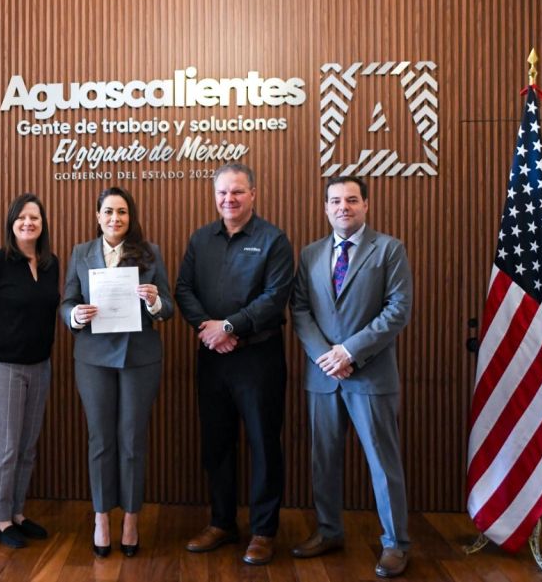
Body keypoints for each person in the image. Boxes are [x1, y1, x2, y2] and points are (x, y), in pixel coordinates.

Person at [290, 175, 413, 578]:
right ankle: (329, 531)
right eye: (335, 200)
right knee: (323, 459)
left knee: (383, 462)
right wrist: (326, 356)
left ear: (366, 205)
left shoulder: (389, 249)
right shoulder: (310, 254)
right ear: (326, 207)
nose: (343, 206)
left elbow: (398, 310)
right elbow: (300, 309)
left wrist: (349, 352)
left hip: (371, 376)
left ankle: (395, 543)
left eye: (352, 200)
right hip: (323, 376)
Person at [175, 163, 294, 566]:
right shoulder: (200, 239)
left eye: (238, 191)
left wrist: (228, 327)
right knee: (217, 443)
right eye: (223, 192)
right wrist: (209, 330)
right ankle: (222, 522)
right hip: (212, 358)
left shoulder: (274, 240)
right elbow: (184, 289)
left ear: (253, 194)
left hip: (259, 358)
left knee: (263, 443)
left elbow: (275, 297)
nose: (229, 199)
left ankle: (263, 531)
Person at [61, 187, 174, 558]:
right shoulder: (81, 253)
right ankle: (101, 517)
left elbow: (168, 307)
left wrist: (154, 301)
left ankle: (130, 518)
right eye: (108, 211)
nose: (115, 218)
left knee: (132, 440)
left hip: (140, 357)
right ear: (98, 216)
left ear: (130, 216)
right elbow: (67, 302)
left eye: (122, 212)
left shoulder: (150, 252)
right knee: (100, 440)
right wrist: (74, 315)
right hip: (93, 358)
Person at [0, 193, 60, 549]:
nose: (28, 223)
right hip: (1, 366)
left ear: (43, 224)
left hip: (40, 365)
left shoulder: (50, 264)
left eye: (34, 217)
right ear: (11, 223)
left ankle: (18, 513)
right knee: (6, 446)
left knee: (27, 446)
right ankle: (1, 519)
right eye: (21, 218)